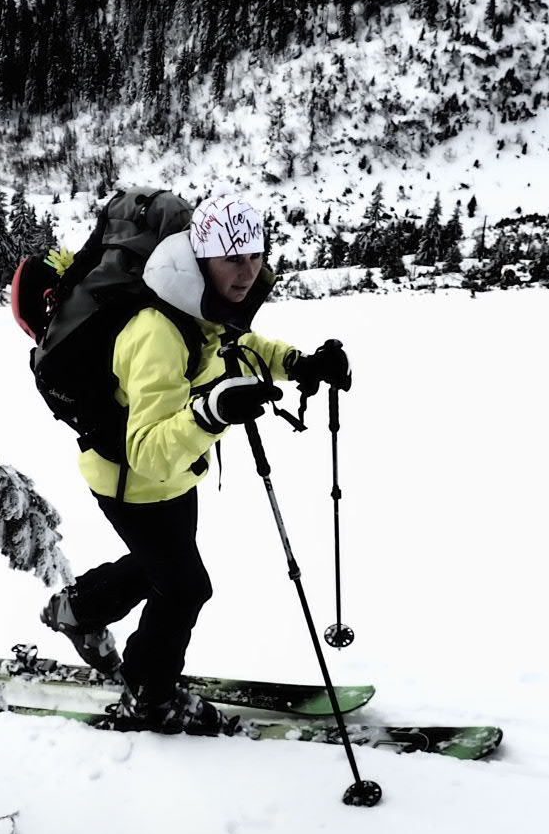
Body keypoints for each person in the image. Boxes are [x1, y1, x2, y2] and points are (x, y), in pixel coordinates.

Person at [39, 189, 352, 733]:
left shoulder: (198, 301)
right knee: (185, 588)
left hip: (176, 476)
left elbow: (239, 343)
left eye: (254, 255)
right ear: (201, 256)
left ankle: (77, 610)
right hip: (132, 483)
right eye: (232, 258)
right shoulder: (155, 332)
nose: (247, 272)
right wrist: (210, 412)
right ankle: (149, 695)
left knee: (161, 567)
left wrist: (299, 364)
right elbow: (146, 452)